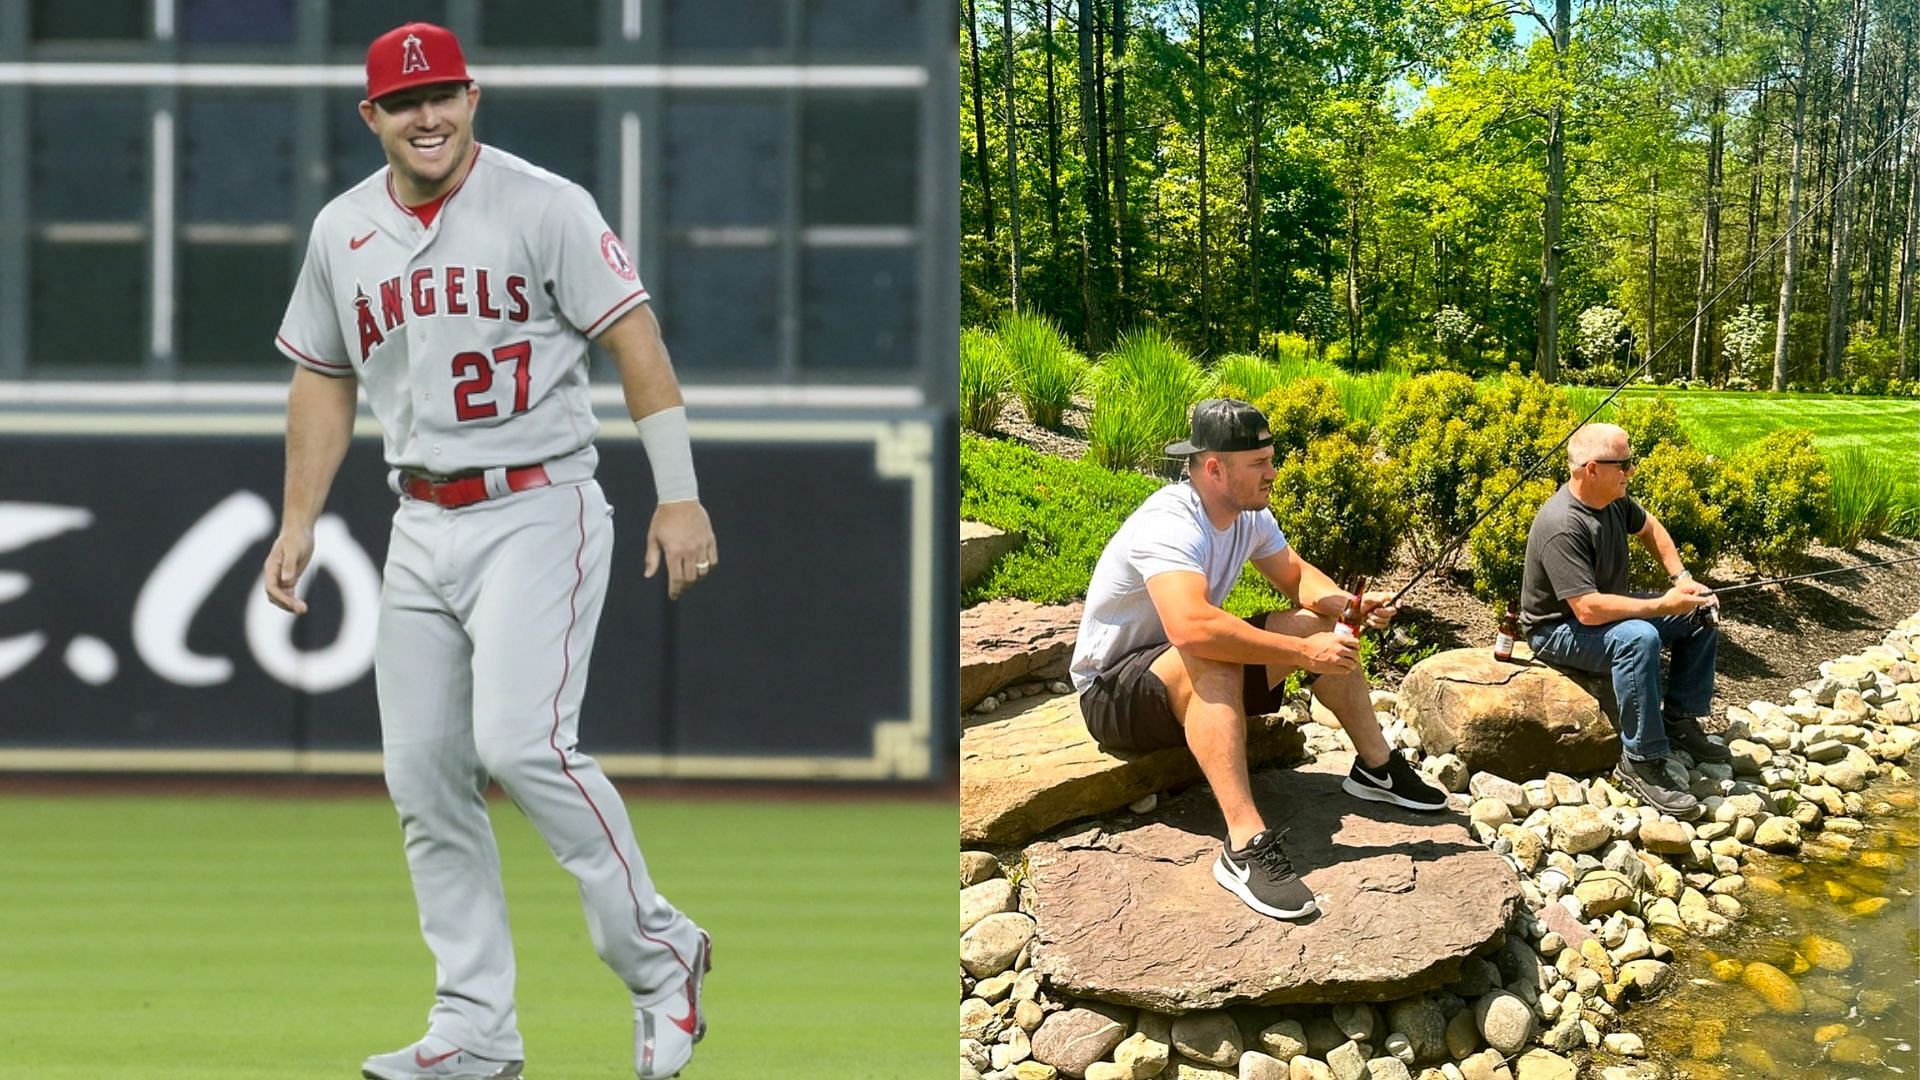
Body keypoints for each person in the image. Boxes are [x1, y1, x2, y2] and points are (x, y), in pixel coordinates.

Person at [263, 23, 713, 1080]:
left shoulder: (544, 204)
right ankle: (473, 1028)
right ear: (370, 116)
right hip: (418, 518)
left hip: (537, 504)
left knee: (522, 745)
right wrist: (297, 520)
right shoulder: (342, 231)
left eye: (446, 94)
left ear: (475, 98)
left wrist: (679, 496)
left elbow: (633, 339)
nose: (429, 115)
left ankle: (660, 959)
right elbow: (322, 376)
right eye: (405, 101)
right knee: (423, 778)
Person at [1069, 398, 1450, 922]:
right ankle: (1245, 847)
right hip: (1114, 694)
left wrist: (1346, 605)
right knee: (1214, 654)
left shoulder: (1249, 515)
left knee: (1323, 627)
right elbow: (1191, 626)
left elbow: (1295, 576)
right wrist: (1299, 651)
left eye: (1271, 458)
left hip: (1176, 671)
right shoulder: (1170, 522)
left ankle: (1376, 770)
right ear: (1213, 468)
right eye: (1260, 464)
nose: (1273, 472)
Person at [1519, 423, 1728, 822]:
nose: (1631, 472)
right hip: (1556, 630)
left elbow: (1651, 528)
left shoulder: (1613, 500)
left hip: (1597, 614)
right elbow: (1587, 610)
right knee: (1638, 638)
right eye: (1625, 464)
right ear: (1592, 469)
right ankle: (1641, 760)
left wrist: (1682, 582)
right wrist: (1662, 606)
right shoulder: (1562, 524)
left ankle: (1680, 720)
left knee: (1699, 611)